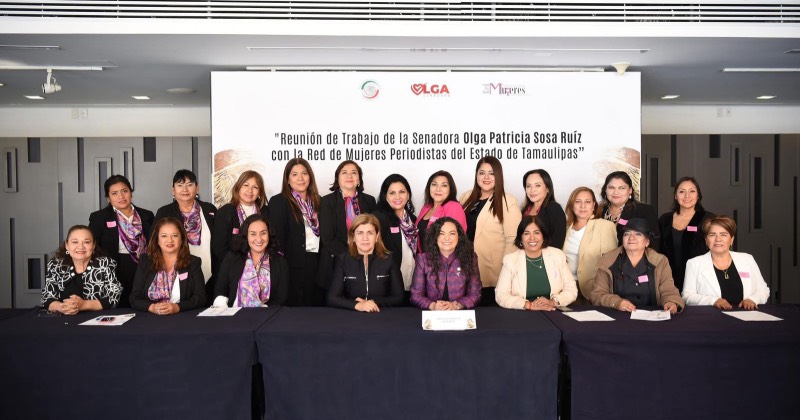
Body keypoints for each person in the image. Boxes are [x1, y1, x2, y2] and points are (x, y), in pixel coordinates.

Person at [460, 157, 522, 305]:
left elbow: (513, 239)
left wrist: (507, 272)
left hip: (492, 270)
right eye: (482, 173)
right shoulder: (466, 197)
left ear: (498, 176)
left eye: (491, 173)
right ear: (476, 175)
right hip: (465, 267)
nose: (486, 177)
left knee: (489, 313)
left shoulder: (507, 201)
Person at [591, 218, 684, 313]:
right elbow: (597, 295)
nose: (631, 238)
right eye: (627, 234)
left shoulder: (660, 261)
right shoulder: (608, 261)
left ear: (647, 242)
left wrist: (671, 302)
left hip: (651, 315)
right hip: (618, 315)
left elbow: (668, 290)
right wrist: (617, 303)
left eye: (638, 234)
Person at [89, 174, 154, 308]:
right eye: (114, 193)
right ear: (108, 198)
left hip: (144, 267)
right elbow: (93, 247)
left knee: (143, 306)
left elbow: (154, 243)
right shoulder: (99, 217)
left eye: (124, 191)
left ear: (131, 192)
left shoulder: (146, 215)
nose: (121, 196)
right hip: (115, 270)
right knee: (119, 307)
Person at [268, 158, 325, 306]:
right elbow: (276, 239)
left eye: (304, 173)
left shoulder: (319, 201)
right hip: (291, 265)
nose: (300, 178)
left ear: (310, 177)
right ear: (287, 179)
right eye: (294, 174)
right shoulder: (279, 202)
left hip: (316, 263)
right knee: (295, 310)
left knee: (316, 307)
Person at [153, 169, 218, 300]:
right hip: (180, 272)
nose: (185, 189)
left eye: (189, 184)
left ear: (197, 188)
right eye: (180, 185)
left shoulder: (209, 209)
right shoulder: (164, 212)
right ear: (173, 190)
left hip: (210, 270)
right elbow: (155, 242)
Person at [682, 216, 769, 310]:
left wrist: (753, 299)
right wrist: (714, 301)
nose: (718, 239)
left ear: (731, 239)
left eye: (723, 235)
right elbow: (687, 296)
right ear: (706, 240)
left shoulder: (747, 259)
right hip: (711, 316)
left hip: (746, 315)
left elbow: (763, 290)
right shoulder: (694, 263)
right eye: (712, 235)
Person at [495, 216, 577, 310]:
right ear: (521, 238)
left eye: (537, 232)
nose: (532, 238)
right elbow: (501, 295)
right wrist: (528, 305)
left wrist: (552, 302)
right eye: (526, 233)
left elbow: (571, 290)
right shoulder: (510, 260)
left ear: (543, 236)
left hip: (552, 311)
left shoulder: (557, 255)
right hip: (522, 313)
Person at [319, 160, 377, 289]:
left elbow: (374, 232)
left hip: (365, 262)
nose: (349, 176)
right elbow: (327, 238)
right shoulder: (327, 201)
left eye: (354, 173)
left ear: (359, 179)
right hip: (335, 262)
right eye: (344, 172)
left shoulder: (370, 201)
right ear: (337, 178)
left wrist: (363, 256)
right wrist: (353, 256)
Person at [327, 214, 403, 311]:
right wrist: (357, 305)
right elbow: (332, 298)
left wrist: (371, 303)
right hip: (352, 315)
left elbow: (399, 298)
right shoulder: (343, 259)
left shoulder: (389, 259)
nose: (365, 238)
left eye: (370, 233)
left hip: (381, 314)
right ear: (353, 237)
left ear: (377, 236)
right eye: (360, 233)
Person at [130, 217, 206, 314]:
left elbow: (201, 297)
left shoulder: (193, 262)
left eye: (175, 235)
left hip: (182, 317)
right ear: (157, 240)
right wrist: (151, 307)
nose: (169, 240)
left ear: (182, 239)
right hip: (150, 317)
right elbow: (134, 297)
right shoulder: (145, 261)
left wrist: (178, 307)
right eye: (164, 236)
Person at [212, 214, 289, 307]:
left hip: (268, 314)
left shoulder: (280, 262)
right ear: (246, 236)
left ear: (269, 234)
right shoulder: (232, 258)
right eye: (253, 234)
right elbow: (220, 290)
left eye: (263, 233)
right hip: (235, 314)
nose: (259, 239)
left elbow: (281, 299)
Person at [41, 225, 122, 314]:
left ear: (93, 245)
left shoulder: (105, 264)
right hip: (64, 318)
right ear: (67, 245)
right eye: (75, 242)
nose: (80, 247)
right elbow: (47, 298)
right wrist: (62, 307)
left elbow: (114, 297)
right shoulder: (56, 265)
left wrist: (84, 305)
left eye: (86, 242)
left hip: (96, 318)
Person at [410, 217, 481, 310]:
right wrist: (433, 305)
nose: (447, 238)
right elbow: (415, 295)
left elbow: (475, 294)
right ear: (435, 237)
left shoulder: (470, 258)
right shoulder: (423, 260)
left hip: (459, 314)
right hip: (432, 314)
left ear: (459, 236)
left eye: (452, 233)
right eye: (441, 233)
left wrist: (456, 305)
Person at [562, 187, 618, 303]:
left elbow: (611, 263)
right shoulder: (567, 228)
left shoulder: (604, 226)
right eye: (578, 202)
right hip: (568, 289)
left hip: (593, 290)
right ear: (572, 205)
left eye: (587, 202)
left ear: (593, 206)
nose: (583, 206)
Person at [657, 177, 713, 291]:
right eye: (682, 191)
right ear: (675, 196)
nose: (687, 196)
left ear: (698, 196)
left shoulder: (708, 219)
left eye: (692, 191)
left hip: (700, 279)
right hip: (668, 279)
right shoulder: (665, 219)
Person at [372, 174, 418, 302]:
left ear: (408, 195)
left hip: (412, 283)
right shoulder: (379, 218)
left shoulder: (413, 220)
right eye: (392, 193)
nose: (397, 197)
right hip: (388, 287)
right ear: (385, 196)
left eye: (402, 192)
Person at [211, 170, 268, 266]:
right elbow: (219, 248)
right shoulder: (225, 212)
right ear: (238, 188)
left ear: (259, 192)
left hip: (262, 266)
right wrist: (242, 267)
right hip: (232, 267)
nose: (250, 190)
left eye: (255, 187)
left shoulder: (266, 212)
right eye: (246, 185)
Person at [600, 171, 659, 250]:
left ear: (630, 190)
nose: (616, 192)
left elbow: (654, 242)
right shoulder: (598, 211)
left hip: (633, 257)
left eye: (622, 188)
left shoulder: (644, 210)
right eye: (611, 188)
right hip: (600, 257)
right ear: (605, 189)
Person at [415, 170, 467, 252]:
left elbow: (458, 239)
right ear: (429, 187)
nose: (438, 189)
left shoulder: (454, 207)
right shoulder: (426, 207)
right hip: (423, 258)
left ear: (450, 189)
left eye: (444, 185)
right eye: (434, 184)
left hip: (443, 259)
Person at [521, 169, 567, 248]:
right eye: (528, 186)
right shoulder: (525, 209)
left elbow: (557, 243)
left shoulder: (554, 209)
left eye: (537, 185)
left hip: (546, 255)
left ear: (548, 188)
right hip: (524, 253)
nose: (532, 190)